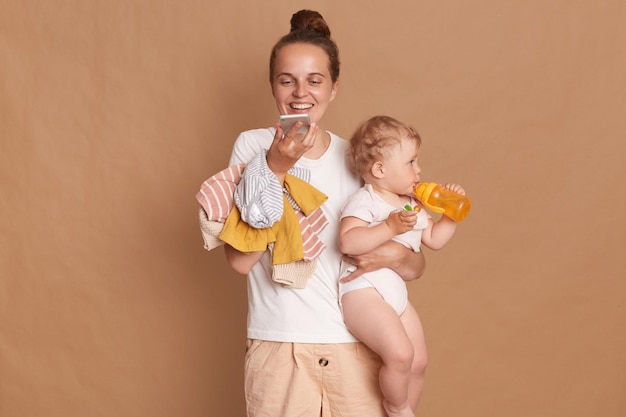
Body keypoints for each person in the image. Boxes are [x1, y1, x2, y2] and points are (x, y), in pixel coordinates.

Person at [215, 10, 426, 417]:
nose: (300, 93)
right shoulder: (253, 148)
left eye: (315, 80)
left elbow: (413, 264)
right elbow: (240, 260)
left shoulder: (359, 159)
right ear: (272, 86)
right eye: (286, 80)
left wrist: (398, 255)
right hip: (280, 348)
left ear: (334, 88)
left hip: (354, 346)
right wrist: (276, 166)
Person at [338, 115, 466, 417]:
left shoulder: (412, 204)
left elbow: (433, 240)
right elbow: (348, 242)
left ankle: (408, 408)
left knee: (419, 361)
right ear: (380, 170)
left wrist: (450, 215)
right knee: (400, 354)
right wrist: (390, 228)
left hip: (394, 294)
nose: (418, 170)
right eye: (410, 162)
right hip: (362, 291)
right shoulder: (365, 200)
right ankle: (396, 407)